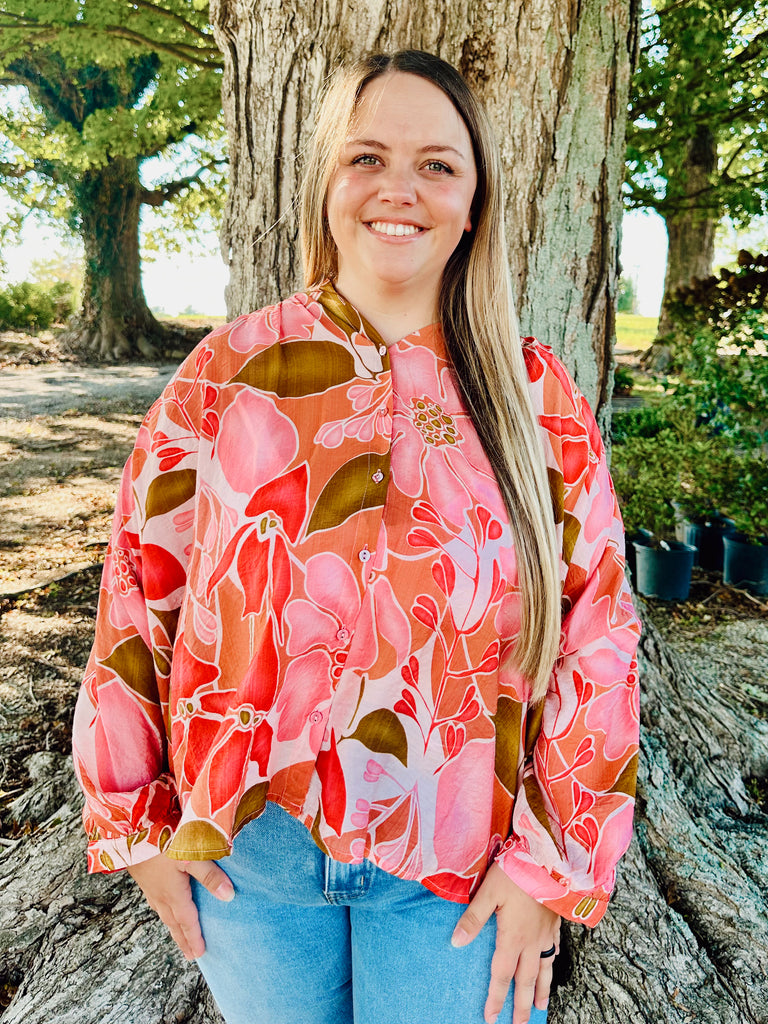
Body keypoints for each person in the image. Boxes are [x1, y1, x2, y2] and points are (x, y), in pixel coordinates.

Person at [72, 50, 641, 1024]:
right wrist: (134, 817)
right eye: (366, 156)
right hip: (252, 851)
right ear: (324, 184)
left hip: (459, 861)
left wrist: (553, 867)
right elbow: (138, 588)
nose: (399, 190)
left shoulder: (534, 396)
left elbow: (599, 629)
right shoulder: (226, 377)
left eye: (438, 164)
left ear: (476, 202)